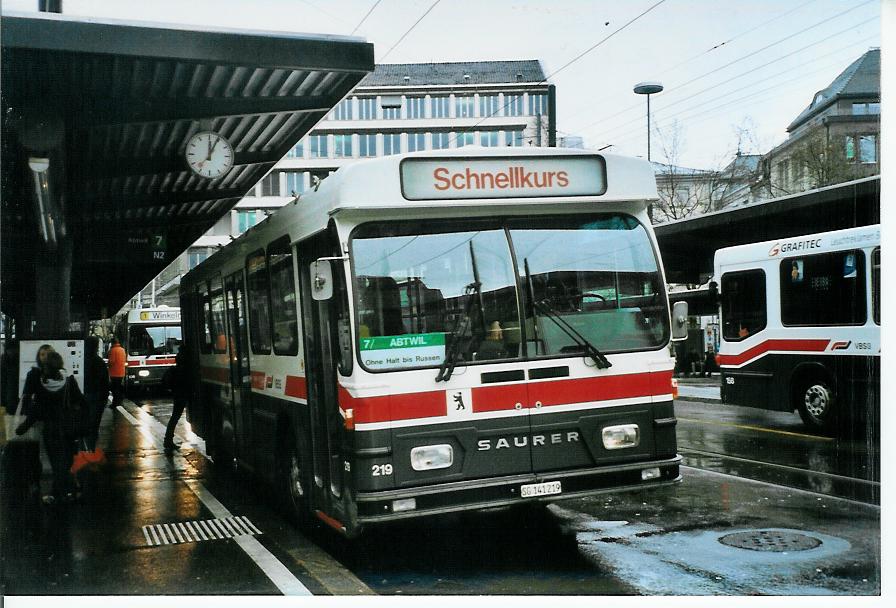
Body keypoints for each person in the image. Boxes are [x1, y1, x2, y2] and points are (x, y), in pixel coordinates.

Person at [16, 351, 84, 504]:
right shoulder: (69, 381)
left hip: (51, 431)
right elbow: (82, 402)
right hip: (68, 429)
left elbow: (37, 410)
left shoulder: (42, 385)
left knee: (56, 463)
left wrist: (23, 427)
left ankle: (59, 494)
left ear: (46, 367)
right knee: (65, 462)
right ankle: (68, 491)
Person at [83, 336, 110, 451]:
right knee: (94, 425)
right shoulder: (99, 362)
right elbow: (104, 381)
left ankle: (85, 448)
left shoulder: (82, 360)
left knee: (85, 424)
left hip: (85, 396)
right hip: (97, 397)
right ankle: (91, 448)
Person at [163, 345, 189, 451]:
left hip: (178, 392)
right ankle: (168, 440)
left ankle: (168, 439)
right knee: (175, 417)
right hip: (182, 392)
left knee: (175, 417)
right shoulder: (185, 362)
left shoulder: (179, 358)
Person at [20, 343, 55, 418]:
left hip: (55, 413)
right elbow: (27, 395)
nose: (46, 357)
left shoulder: (60, 373)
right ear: (38, 357)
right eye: (42, 354)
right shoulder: (33, 374)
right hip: (39, 413)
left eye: (49, 354)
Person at [107, 338, 126, 409]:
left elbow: (111, 361)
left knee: (114, 388)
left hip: (114, 372)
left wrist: (108, 364)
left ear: (112, 343)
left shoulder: (112, 350)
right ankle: (120, 401)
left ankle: (115, 403)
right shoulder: (122, 350)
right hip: (121, 371)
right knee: (118, 387)